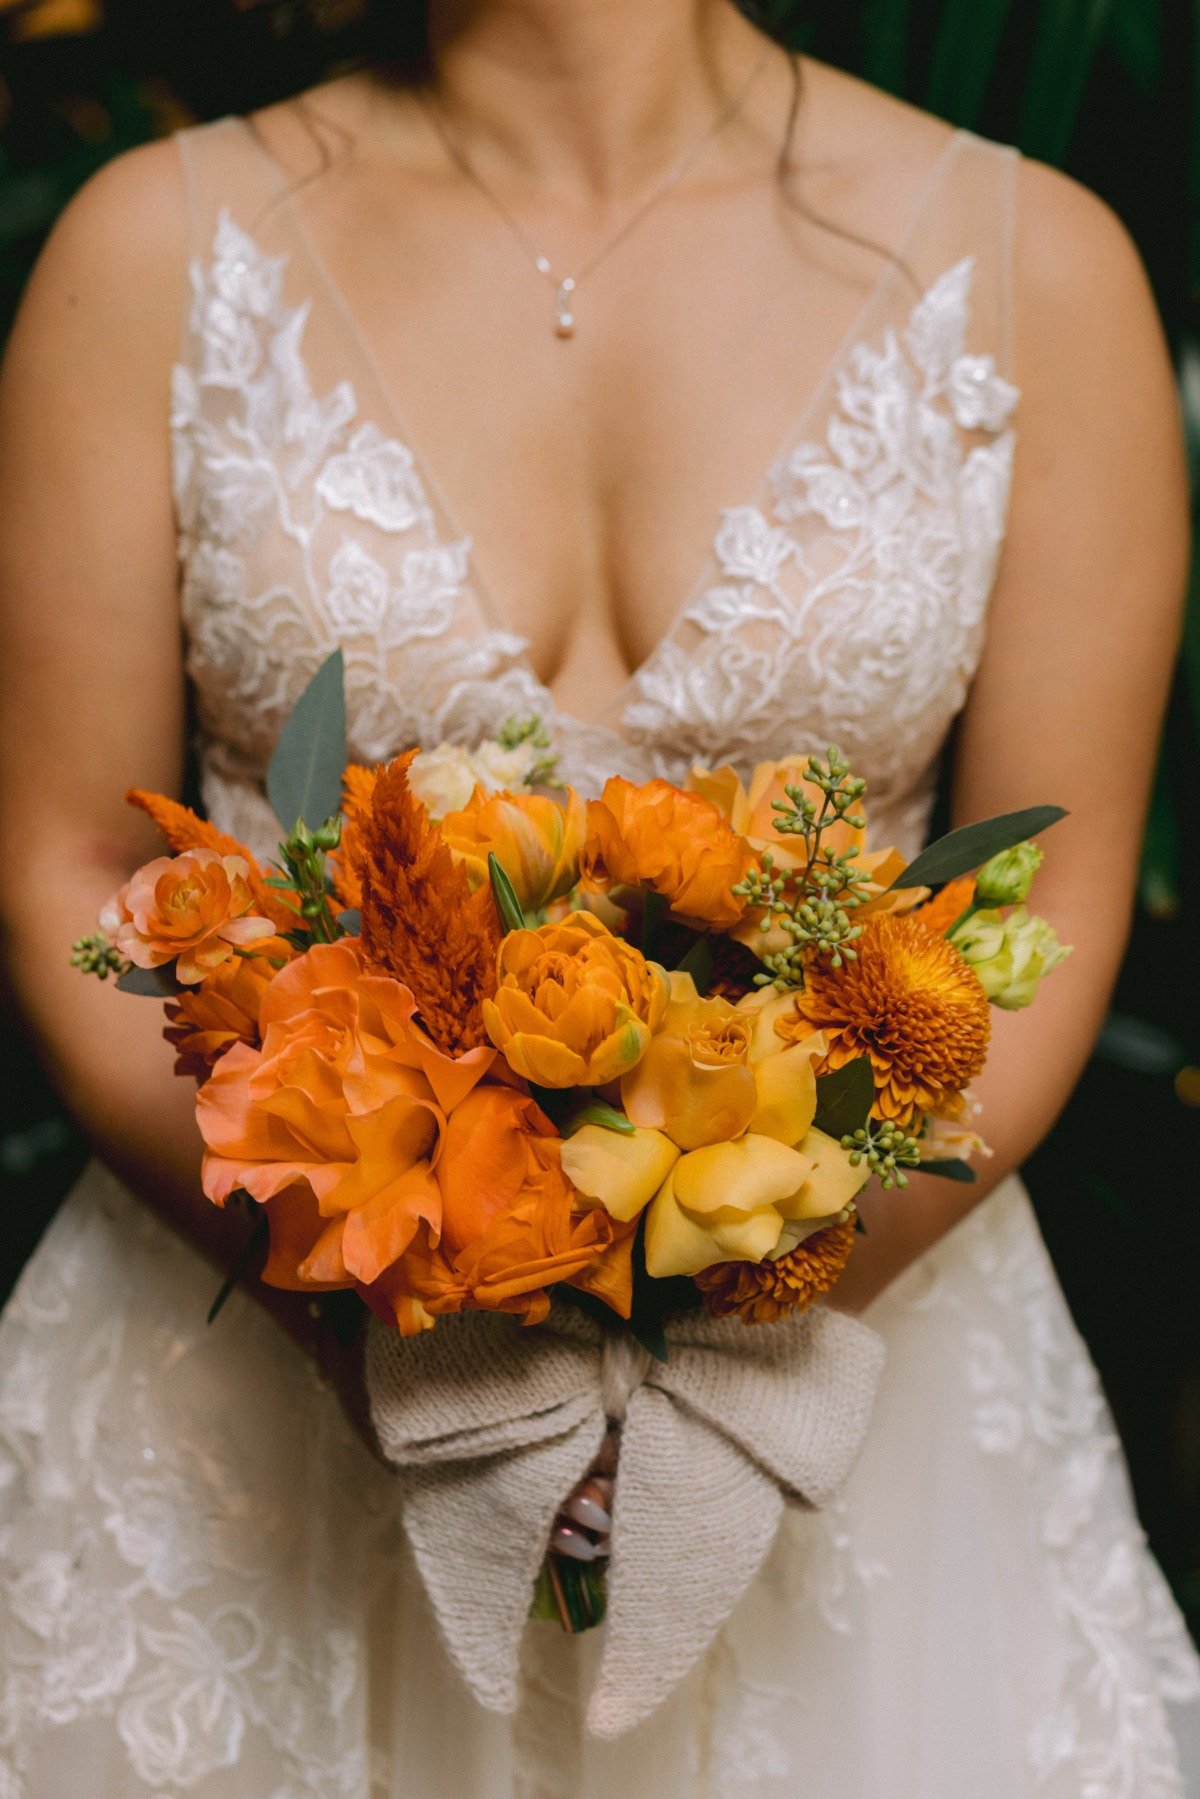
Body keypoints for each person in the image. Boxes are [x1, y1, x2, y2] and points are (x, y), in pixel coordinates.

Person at [0, 0, 1197, 1791]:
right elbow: (70, 865)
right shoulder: (155, 248)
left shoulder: (1034, 261)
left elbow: (1063, 887)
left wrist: (737, 1331)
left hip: (863, 1382)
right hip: (254, 1402)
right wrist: (387, 1330)